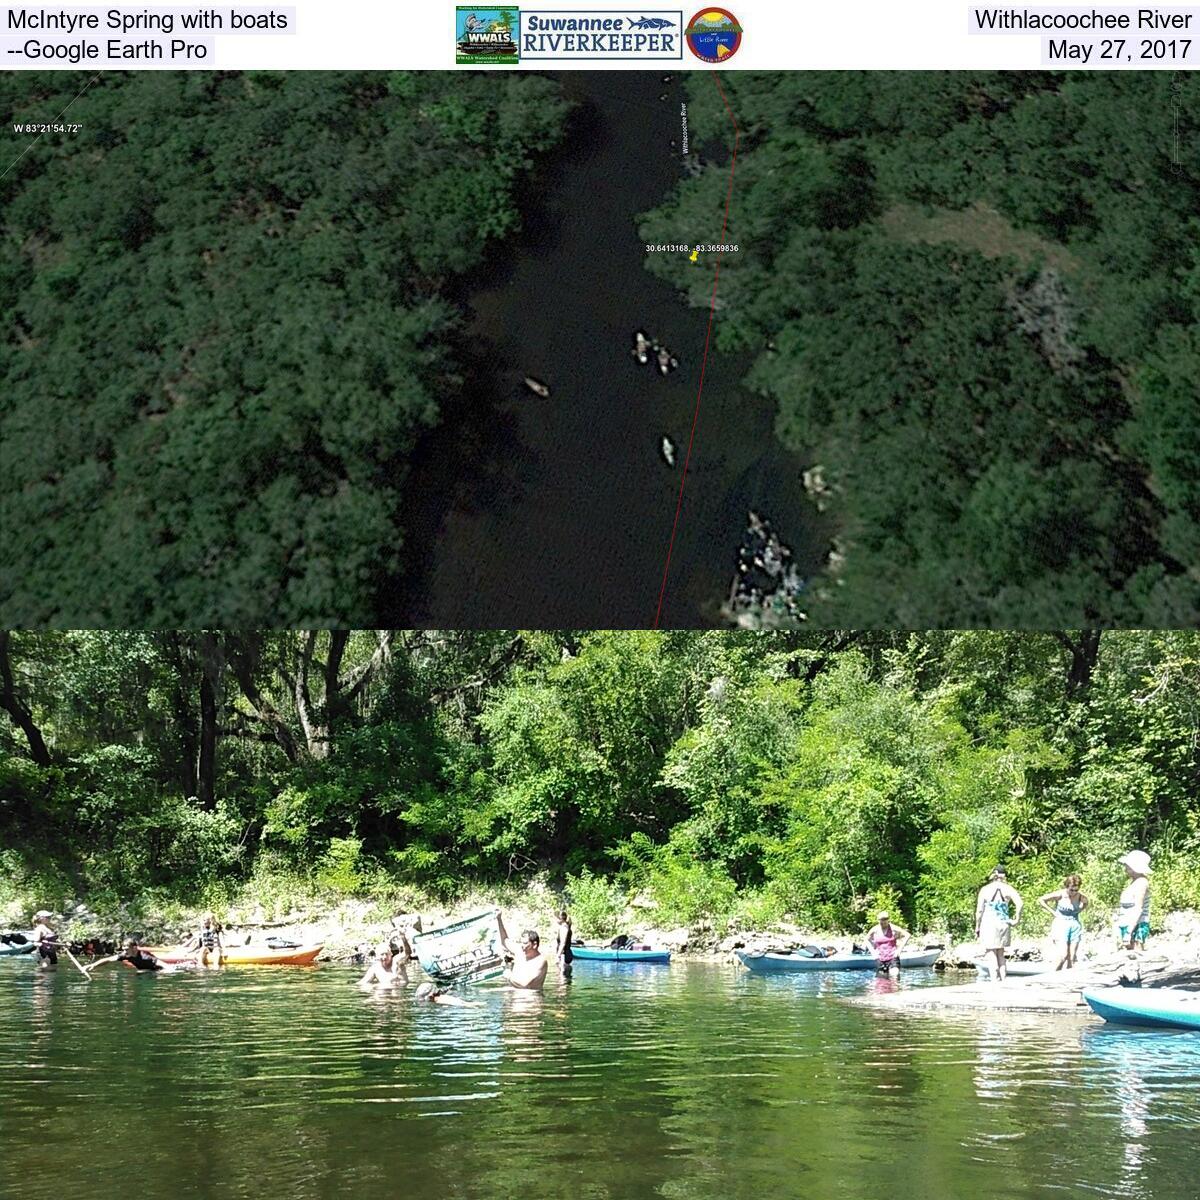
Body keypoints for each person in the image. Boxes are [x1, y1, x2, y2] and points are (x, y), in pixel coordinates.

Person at [975, 866, 1023, 981]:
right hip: (1004, 924)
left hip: (989, 924)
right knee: (1001, 954)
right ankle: (1003, 980)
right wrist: (1016, 919)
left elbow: (979, 911)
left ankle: (994, 981)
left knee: (990, 953)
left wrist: (977, 927)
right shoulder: (1008, 888)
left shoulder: (985, 889)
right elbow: (1020, 903)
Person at [1038, 875, 1089, 969]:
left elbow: (1086, 902)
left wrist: (1080, 909)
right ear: (1067, 887)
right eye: (1071, 890)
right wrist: (1052, 912)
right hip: (1061, 924)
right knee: (1063, 955)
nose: (1073, 892)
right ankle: (1054, 975)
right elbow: (1041, 900)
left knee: (1072, 957)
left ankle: (1069, 980)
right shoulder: (1060, 894)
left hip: (1074, 924)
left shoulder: (1080, 896)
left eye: (1076, 890)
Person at [496, 912, 547, 991]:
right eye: (521, 942)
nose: (522, 945)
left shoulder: (540, 961)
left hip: (531, 998)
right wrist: (499, 919)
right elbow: (505, 941)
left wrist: (509, 975)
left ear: (534, 945)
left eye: (525, 943)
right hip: (515, 995)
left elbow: (525, 984)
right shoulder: (519, 951)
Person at [1116, 850, 1152, 950]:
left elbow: (1138, 909)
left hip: (1137, 924)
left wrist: (1129, 931)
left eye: (1127, 866)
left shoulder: (1142, 883)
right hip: (1127, 922)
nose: (1125, 868)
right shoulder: (1134, 882)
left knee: (1136, 952)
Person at [85, 939, 175, 974]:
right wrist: (93, 965)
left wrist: (159, 973)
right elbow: (108, 959)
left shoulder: (145, 956)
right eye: (123, 949)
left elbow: (167, 967)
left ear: (134, 948)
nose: (124, 951)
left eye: (127, 949)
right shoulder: (126, 955)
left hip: (155, 972)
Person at [866, 911, 909, 977]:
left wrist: (899, 950)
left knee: (895, 975)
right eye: (881, 920)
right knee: (881, 980)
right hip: (880, 958)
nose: (883, 922)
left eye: (885, 920)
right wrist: (873, 952)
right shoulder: (875, 929)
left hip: (892, 957)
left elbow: (907, 935)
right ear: (878, 920)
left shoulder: (893, 928)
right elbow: (866, 939)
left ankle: (896, 986)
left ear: (888, 920)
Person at [413, 981, 479, 1007]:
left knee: (469, 1004)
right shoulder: (440, 998)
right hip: (459, 1002)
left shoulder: (441, 1000)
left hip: (458, 1004)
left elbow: (463, 1004)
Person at [554, 910, 573, 975]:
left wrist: (557, 956)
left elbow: (563, 943)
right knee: (563, 978)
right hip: (565, 954)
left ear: (561, 918)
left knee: (562, 978)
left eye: (556, 918)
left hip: (563, 955)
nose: (555, 920)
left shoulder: (564, 927)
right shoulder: (566, 926)